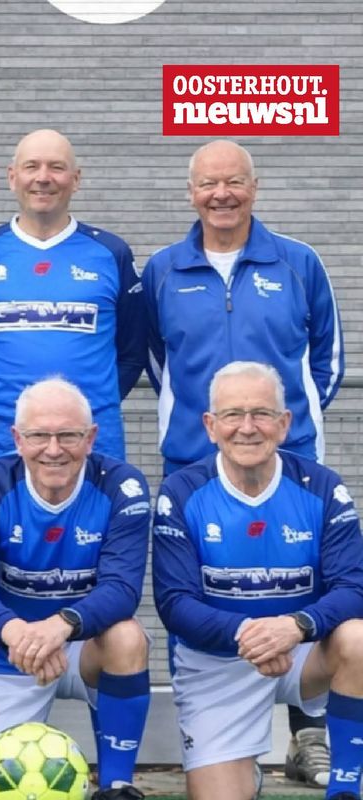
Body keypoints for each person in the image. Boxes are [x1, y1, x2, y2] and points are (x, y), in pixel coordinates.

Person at [142, 139, 346, 782]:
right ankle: (212, 729)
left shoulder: (298, 262)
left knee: (300, 588)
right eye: (208, 184)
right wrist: (203, 429)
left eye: (234, 182)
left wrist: (275, 427)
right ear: (190, 192)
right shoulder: (162, 269)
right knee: (198, 589)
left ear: (254, 186)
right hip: (192, 459)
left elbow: (328, 360)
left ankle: (308, 733)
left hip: (289, 455)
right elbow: (154, 360)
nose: (221, 194)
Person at [153, 361, 363, 800]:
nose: (247, 428)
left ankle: (346, 785)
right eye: (232, 415)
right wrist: (250, 633)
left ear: (284, 424)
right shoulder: (181, 492)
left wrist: (295, 627)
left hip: (303, 654)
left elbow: (354, 588)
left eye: (262, 414)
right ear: (210, 426)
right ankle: (240, 766)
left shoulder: (322, 488)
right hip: (218, 663)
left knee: (358, 640)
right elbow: (174, 602)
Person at [0, 377, 151, 800]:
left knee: (127, 636)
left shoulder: (123, 486)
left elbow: (122, 589)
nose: (54, 449)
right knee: (0, 788)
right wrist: (21, 634)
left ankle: (117, 786)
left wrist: (59, 627)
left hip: (83, 642)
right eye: (39, 435)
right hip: (8, 648)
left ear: (92, 437)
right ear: (17, 439)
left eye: (69, 435)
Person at [0, 129, 144, 465]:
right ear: (13, 177)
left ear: (76, 179)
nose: (43, 178)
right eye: (31, 167)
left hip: (92, 444)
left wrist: (88, 407)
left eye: (56, 167)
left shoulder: (111, 253)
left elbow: (132, 352)